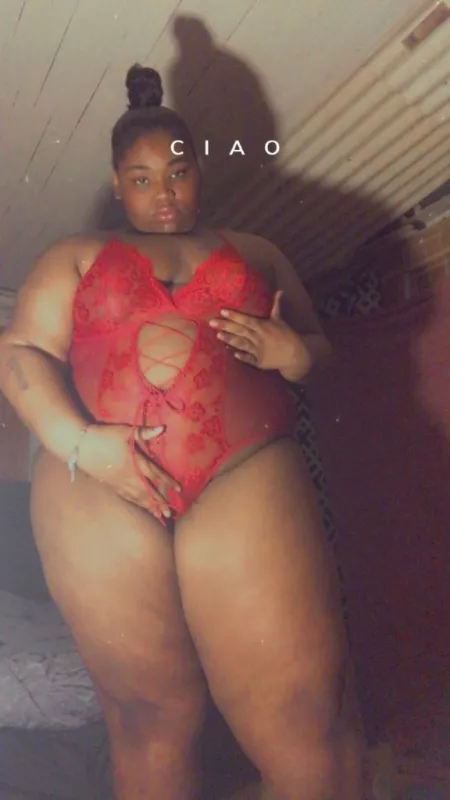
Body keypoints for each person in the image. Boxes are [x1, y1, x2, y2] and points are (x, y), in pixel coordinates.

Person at [0, 64, 365, 800]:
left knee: (304, 718)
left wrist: (294, 355)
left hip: (242, 473)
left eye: (177, 173)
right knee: (147, 720)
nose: (162, 193)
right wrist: (82, 445)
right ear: (117, 184)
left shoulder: (258, 251)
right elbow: (19, 355)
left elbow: (319, 351)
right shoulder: (71, 254)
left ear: (199, 171)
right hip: (96, 482)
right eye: (141, 179)